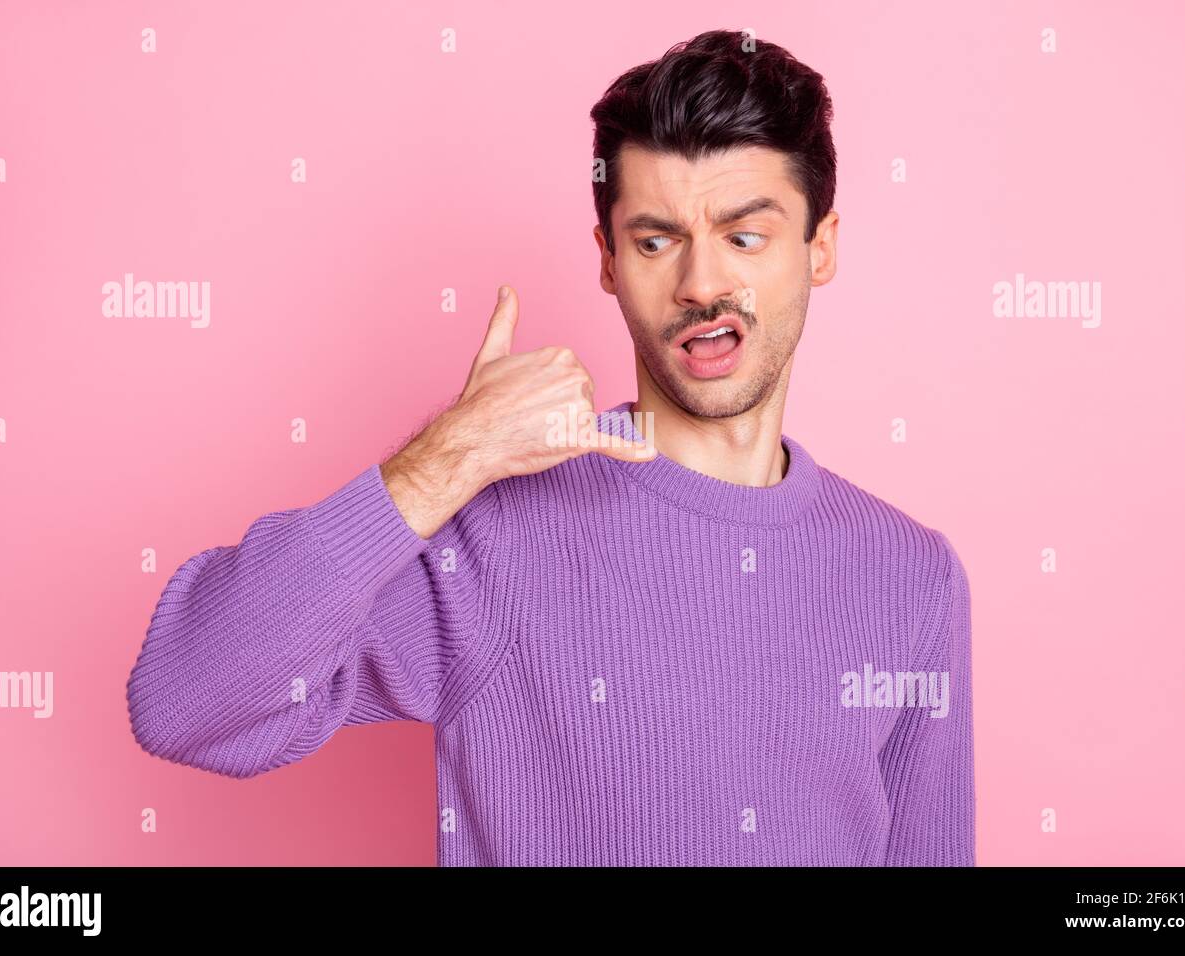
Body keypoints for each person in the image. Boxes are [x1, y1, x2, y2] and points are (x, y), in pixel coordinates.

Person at [126, 28, 974, 866]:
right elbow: (185, 702)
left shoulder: (912, 577)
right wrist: (450, 457)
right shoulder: (494, 536)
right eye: (655, 240)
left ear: (819, 248)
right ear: (607, 260)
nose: (701, 283)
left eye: (744, 237)